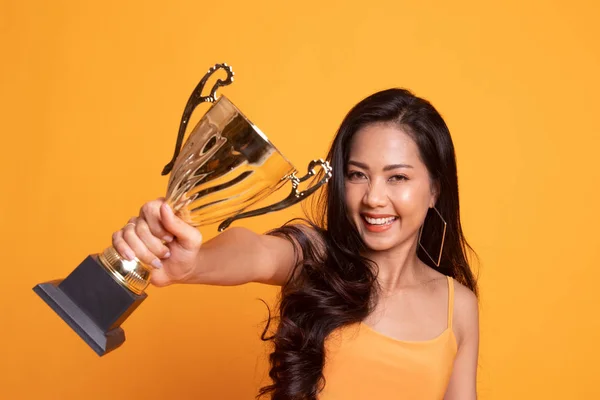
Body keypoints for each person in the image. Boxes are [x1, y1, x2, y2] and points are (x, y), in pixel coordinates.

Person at [112, 88, 480, 400]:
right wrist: (195, 263)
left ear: (434, 189)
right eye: (358, 175)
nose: (374, 198)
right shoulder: (317, 258)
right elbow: (256, 251)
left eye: (397, 177)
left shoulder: (458, 306)